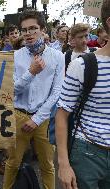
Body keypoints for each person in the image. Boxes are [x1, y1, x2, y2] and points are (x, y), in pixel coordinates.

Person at [3, 10, 65, 189]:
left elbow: (57, 92)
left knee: (47, 165)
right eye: (24, 30)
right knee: (12, 163)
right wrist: (31, 73)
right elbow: (10, 91)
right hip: (17, 115)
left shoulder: (57, 57)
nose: (28, 34)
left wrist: (37, 119)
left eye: (33, 28)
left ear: (43, 30)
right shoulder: (15, 56)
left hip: (44, 118)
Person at [56, 0, 110, 188]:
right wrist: (63, 164)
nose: (85, 40)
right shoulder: (82, 64)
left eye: (87, 35)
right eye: (81, 36)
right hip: (88, 154)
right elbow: (62, 113)